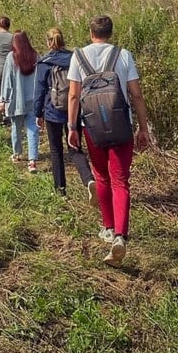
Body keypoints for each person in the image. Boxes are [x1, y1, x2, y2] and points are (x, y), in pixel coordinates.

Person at [67, 15, 151, 267]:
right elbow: (136, 94)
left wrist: (72, 127)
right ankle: (120, 236)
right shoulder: (123, 55)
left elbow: (73, 95)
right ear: (111, 33)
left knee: (101, 177)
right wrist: (143, 128)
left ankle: (108, 226)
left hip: (92, 127)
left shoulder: (78, 56)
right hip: (121, 126)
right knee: (120, 180)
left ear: (91, 32)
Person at [33, 27, 96, 202]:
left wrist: (38, 114)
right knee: (75, 148)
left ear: (48, 42)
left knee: (56, 151)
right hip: (73, 111)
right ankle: (89, 179)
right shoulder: (75, 58)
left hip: (52, 111)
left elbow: (39, 91)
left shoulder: (45, 62)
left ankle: (60, 190)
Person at [0, 31, 40, 172]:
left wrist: (3, 99)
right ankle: (32, 161)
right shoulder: (35, 55)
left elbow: (7, 80)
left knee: (16, 128)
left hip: (17, 100)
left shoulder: (12, 57)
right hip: (33, 99)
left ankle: (17, 155)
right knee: (33, 129)